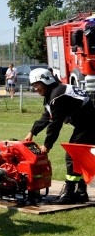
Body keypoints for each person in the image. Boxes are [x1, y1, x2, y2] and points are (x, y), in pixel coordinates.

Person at [24, 68, 95, 204]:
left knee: (72, 156)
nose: (35, 89)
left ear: (44, 81)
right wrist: (32, 131)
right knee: (78, 157)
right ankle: (81, 192)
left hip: (89, 125)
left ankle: (69, 193)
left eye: (36, 85)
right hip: (86, 124)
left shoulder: (58, 96)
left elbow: (55, 124)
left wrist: (47, 145)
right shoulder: (54, 92)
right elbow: (47, 116)